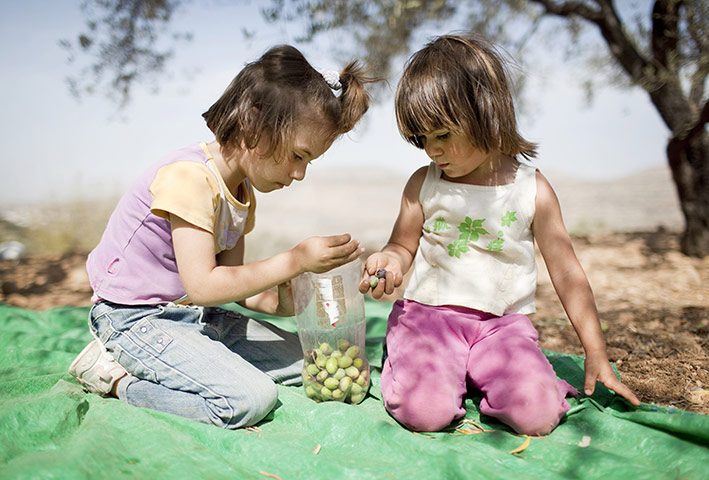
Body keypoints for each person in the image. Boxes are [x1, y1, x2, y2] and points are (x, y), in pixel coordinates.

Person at [69, 44, 376, 429]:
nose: (300, 174)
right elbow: (203, 285)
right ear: (253, 125)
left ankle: (192, 362)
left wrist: (285, 300)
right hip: (136, 318)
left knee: (311, 362)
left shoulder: (242, 193)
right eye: (298, 156)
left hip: (198, 316)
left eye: (308, 162)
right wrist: (293, 260)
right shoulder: (189, 179)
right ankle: (116, 379)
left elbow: (232, 285)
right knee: (249, 399)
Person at [359, 33, 640, 435]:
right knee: (426, 413)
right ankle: (418, 363)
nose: (432, 151)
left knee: (536, 415)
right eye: (422, 139)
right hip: (429, 318)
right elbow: (403, 245)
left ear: (486, 114)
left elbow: (567, 273)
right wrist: (389, 260)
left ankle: (483, 372)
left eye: (443, 135)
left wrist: (596, 352)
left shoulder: (533, 190)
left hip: (501, 327)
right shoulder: (424, 182)